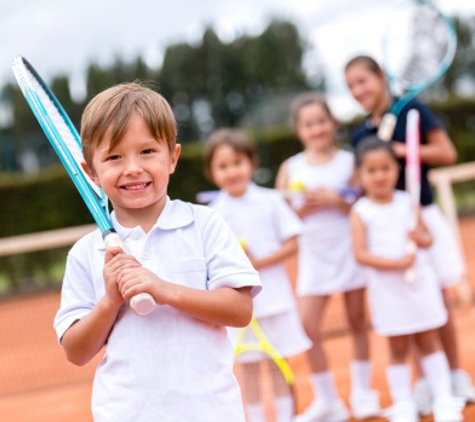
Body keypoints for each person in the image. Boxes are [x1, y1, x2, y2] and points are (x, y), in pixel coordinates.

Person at [53, 82, 262, 422]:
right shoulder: (85, 253)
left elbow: (239, 310)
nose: (132, 167)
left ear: (173, 158)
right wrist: (109, 301)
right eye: (114, 156)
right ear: (90, 171)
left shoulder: (205, 223)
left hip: (210, 411)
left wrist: (164, 290)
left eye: (147, 151)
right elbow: (76, 351)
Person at [345, 54, 475, 415]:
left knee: (436, 302)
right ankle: (422, 385)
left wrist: (400, 150)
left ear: (380, 77)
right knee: (404, 307)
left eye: (363, 81)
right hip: (387, 229)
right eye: (351, 86)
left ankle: (454, 376)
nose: (359, 91)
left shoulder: (412, 112)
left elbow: (446, 152)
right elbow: (360, 182)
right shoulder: (361, 133)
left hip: (421, 219)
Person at [275, 93, 380, 421]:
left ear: (332, 122)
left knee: (356, 320)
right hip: (314, 258)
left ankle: (363, 394)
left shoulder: (351, 162)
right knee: (306, 328)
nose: (316, 128)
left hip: (350, 252)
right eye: (308, 124)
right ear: (298, 130)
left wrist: (338, 201)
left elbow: (366, 207)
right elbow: (281, 216)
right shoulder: (290, 168)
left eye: (321, 121)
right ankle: (328, 401)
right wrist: (302, 209)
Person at [351, 136, 464, 422]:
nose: (380, 176)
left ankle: (444, 399)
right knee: (397, 348)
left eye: (386, 168)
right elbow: (361, 254)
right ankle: (403, 404)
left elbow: (428, 239)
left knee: (428, 341)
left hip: (419, 286)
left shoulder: (408, 203)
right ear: (361, 175)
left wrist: (420, 237)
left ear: (396, 170)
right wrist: (394, 263)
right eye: (372, 171)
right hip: (388, 291)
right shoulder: (360, 211)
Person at [203, 127, 312, 422]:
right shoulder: (212, 214)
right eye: (222, 166)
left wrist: (259, 263)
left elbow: (293, 241)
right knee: (248, 372)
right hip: (238, 309)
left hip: (276, 300)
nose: (231, 171)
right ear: (212, 172)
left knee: (279, 367)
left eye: (237, 163)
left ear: (252, 163)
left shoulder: (271, 200)